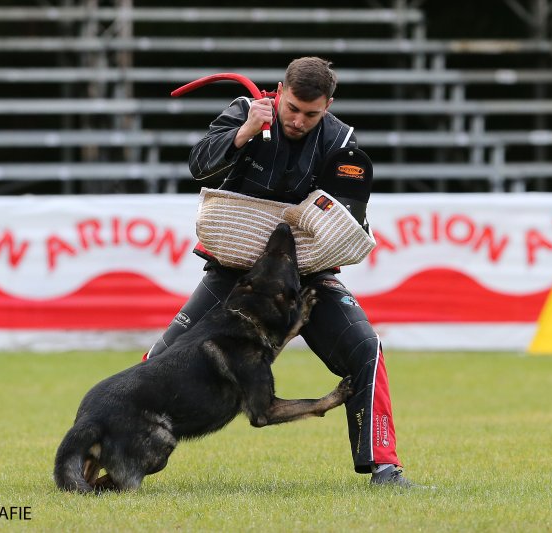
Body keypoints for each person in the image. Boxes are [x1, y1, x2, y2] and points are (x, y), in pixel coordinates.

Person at [146, 57, 417, 488]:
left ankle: (385, 468)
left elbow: (348, 223)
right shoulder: (244, 111)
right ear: (279, 90)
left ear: (328, 105)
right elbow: (198, 167)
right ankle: (118, 442)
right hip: (235, 272)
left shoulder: (343, 142)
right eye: (291, 108)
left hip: (306, 277)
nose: (298, 120)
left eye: (312, 113)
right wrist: (244, 133)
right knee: (159, 362)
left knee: (367, 348)